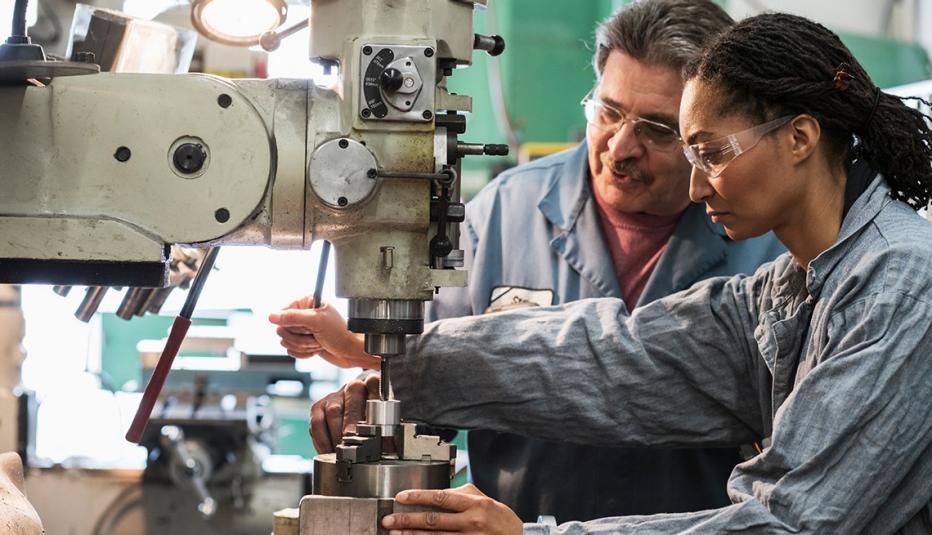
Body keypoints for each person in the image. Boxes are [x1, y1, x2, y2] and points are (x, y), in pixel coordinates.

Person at [281, 11, 932, 534]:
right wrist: (396, 360)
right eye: (612, 114)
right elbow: (613, 360)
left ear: (799, 138)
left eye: (706, 153)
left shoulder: (901, 280)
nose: (698, 186)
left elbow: (793, 521)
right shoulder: (788, 287)